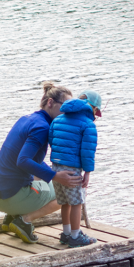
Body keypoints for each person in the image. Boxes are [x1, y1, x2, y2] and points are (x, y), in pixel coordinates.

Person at [0, 82, 84, 244]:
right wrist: (55, 176)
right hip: (9, 197)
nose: (67, 112)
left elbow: (30, 161)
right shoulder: (42, 127)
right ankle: (24, 219)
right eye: (64, 107)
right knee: (65, 192)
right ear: (50, 103)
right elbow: (23, 161)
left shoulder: (28, 119)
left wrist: (54, 175)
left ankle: (12, 217)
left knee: (47, 179)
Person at [48, 90, 102, 247]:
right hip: (72, 169)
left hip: (56, 167)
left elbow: (53, 141)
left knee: (64, 202)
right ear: (93, 108)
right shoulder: (88, 124)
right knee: (77, 202)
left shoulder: (58, 119)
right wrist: (87, 173)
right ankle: (76, 236)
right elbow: (87, 152)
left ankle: (66, 234)